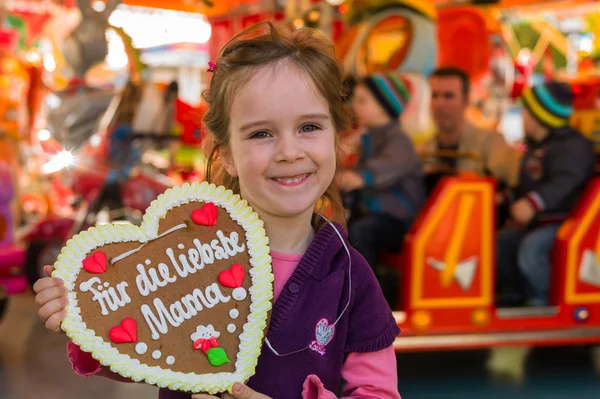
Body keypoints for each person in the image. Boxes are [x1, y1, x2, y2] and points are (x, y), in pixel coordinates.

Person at [32, 22, 401, 399]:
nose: (290, 152)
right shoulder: (184, 255)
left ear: (337, 138)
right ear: (226, 153)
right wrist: (83, 319)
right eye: (261, 133)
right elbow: (145, 346)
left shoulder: (351, 278)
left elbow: (379, 392)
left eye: (309, 127)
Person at [496, 81, 595, 307]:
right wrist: (508, 198)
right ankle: (513, 295)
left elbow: (565, 182)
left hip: (567, 222)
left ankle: (544, 300)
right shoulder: (537, 146)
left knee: (532, 250)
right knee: (504, 242)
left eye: (525, 112)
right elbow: (529, 185)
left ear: (539, 116)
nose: (521, 117)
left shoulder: (572, 146)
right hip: (543, 221)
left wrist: (533, 203)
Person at [338, 72, 425, 272]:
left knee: (363, 231)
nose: (355, 106)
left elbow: (390, 165)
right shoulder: (368, 137)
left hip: (399, 218)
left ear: (383, 108)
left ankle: (368, 289)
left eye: (362, 101)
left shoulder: (398, 140)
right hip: (372, 211)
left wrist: (360, 177)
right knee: (337, 229)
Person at [420, 67, 519, 188]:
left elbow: (514, 190)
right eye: (434, 96)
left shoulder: (491, 144)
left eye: (448, 96)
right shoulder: (422, 152)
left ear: (466, 100)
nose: (440, 104)